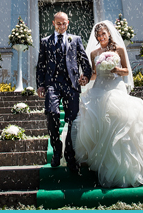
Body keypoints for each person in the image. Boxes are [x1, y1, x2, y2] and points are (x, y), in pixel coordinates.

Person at [71, 20, 143, 188]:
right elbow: (94, 74)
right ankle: (103, 161)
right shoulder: (94, 53)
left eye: (103, 34)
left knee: (121, 121)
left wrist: (115, 70)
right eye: (98, 35)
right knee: (99, 122)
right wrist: (85, 79)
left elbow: (127, 71)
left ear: (109, 34)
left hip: (115, 87)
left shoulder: (119, 50)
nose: (101, 37)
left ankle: (123, 163)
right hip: (99, 89)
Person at [36, 12, 92, 172]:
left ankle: (69, 153)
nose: (61, 26)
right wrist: (40, 84)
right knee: (51, 113)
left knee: (72, 120)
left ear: (68, 23)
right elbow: (41, 65)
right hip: (52, 84)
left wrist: (86, 76)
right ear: (53, 23)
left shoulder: (76, 40)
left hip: (71, 84)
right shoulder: (45, 42)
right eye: (58, 24)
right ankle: (56, 149)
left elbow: (84, 61)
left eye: (64, 24)